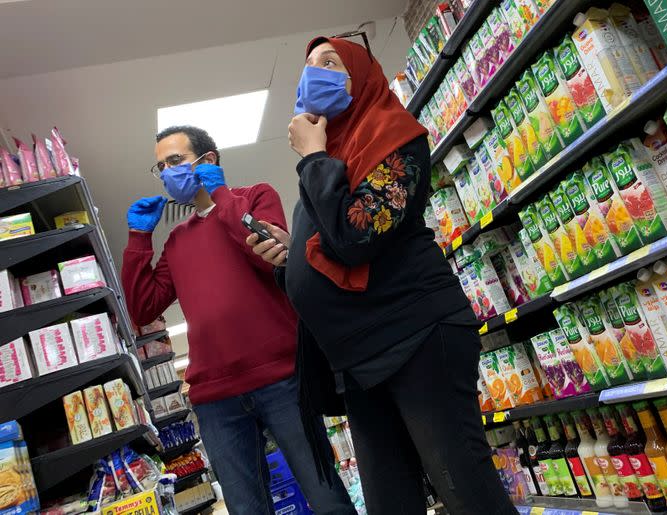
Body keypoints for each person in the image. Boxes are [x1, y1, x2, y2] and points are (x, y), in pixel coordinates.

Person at [247, 37, 518, 515]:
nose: (314, 74)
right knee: (389, 500)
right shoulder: (334, 156)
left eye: (329, 63)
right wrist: (290, 258)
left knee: (462, 485)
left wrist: (312, 159)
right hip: (361, 360)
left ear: (362, 74)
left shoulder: (395, 136)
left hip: (416, 335)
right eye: (307, 68)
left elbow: (358, 237)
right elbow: (330, 249)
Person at [121, 125, 355, 515]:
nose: (166, 173)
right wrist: (137, 239)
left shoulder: (256, 197)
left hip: (282, 380)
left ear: (207, 161)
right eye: (160, 167)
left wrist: (221, 195)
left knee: (326, 495)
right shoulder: (177, 240)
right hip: (215, 399)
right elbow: (143, 308)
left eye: (175, 161)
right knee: (247, 509)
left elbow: (268, 258)